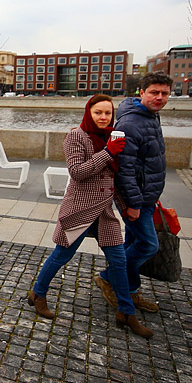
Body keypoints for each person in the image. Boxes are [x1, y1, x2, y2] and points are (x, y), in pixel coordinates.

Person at [27, 94, 153, 338]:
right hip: (80, 210)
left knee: (119, 261)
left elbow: (112, 179)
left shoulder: (112, 136)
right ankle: (38, 293)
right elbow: (77, 172)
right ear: (89, 113)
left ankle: (126, 312)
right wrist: (108, 152)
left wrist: (125, 206)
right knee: (61, 256)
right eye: (98, 112)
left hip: (104, 213)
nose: (103, 117)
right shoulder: (77, 136)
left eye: (108, 113)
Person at [95, 72, 171, 314]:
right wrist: (134, 203)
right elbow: (125, 170)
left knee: (133, 242)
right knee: (149, 245)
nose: (159, 97)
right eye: (154, 92)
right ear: (141, 93)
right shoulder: (131, 123)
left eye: (165, 93)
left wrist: (151, 193)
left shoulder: (151, 117)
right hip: (134, 200)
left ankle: (128, 290)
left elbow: (147, 163)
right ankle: (109, 276)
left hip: (146, 196)